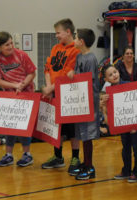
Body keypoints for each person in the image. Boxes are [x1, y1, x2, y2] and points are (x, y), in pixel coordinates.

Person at [0, 31, 36, 167]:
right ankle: (9, 155)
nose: (10, 46)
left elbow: (32, 73)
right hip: (9, 96)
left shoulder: (21, 55)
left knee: (23, 127)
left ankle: (27, 154)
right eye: (6, 45)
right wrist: (14, 85)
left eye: (11, 43)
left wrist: (22, 85)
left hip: (26, 94)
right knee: (9, 126)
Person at [41, 18, 81, 174]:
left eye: (58, 33)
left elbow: (67, 74)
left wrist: (51, 87)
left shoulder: (75, 50)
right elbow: (48, 68)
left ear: (68, 32)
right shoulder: (55, 48)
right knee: (56, 126)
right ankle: (58, 157)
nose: (56, 36)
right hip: (54, 91)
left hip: (69, 93)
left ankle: (75, 157)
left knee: (72, 128)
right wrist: (49, 88)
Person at [65, 28, 100, 180]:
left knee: (87, 135)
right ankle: (85, 163)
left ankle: (90, 167)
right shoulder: (79, 56)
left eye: (76, 37)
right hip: (80, 100)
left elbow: (88, 80)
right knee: (81, 133)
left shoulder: (91, 59)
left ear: (82, 41)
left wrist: (75, 76)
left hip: (89, 101)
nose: (74, 39)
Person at [101, 64, 137, 182]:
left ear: (118, 72)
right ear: (106, 80)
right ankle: (126, 170)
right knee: (125, 148)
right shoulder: (108, 93)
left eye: (115, 72)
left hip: (134, 123)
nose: (114, 75)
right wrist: (104, 104)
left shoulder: (128, 84)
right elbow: (108, 113)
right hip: (123, 125)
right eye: (110, 74)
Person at [113, 47, 137, 182]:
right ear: (123, 56)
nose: (129, 55)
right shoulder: (117, 67)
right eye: (127, 53)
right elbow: (113, 84)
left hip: (136, 107)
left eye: (131, 53)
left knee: (136, 144)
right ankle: (126, 170)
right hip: (123, 109)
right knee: (125, 144)